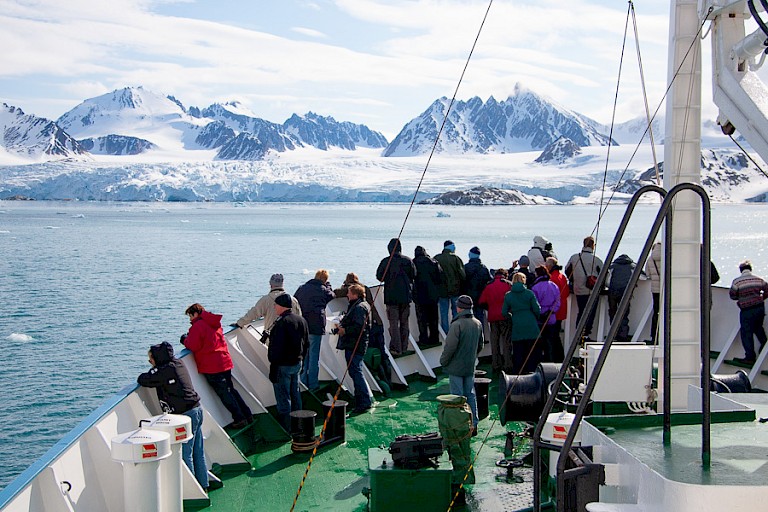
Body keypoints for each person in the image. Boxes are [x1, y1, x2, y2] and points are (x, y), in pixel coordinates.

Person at [138, 341, 208, 490]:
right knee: (198, 450)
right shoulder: (178, 364)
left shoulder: (164, 371)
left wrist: (153, 370)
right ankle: (203, 485)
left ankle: (192, 491)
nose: (150, 362)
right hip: (196, 410)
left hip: (185, 415)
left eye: (151, 359)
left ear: (158, 358)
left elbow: (144, 379)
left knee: (185, 454)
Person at [182, 303, 252, 428]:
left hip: (212, 366)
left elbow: (193, 345)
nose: (190, 319)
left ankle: (239, 418)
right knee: (231, 390)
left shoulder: (197, 326)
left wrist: (184, 340)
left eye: (190, 316)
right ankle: (247, 414)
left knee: (224, 393)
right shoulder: (214, 323)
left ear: (195, 313)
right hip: (224, 361)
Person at [439, 295, 484, 433]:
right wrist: (472, 357)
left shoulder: (457, 324)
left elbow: (450, 347)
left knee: (457, 397)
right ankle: (473, 424)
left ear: (460, 307)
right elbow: (480, 345)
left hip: (456, 367)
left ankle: (461, 426)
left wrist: (443, 361)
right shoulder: (477, 323)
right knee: (470, 395)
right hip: (470, 366)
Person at [267, 293, 308, 431]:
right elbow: (306, 342)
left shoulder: (281, 324)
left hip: (282, 365)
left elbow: (275, 347)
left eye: (276, 305)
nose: (274, 307)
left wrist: (273, 362)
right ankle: (299, 424)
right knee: (295, 394)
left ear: (281, 306)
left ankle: (287, 427)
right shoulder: (301, 320)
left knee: (283, 398)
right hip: (297, 363)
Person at [294, 269, 334, 391]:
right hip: (316, 325)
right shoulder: (323, 290)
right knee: (314, 355)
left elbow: (295, 300)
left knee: (304, 354)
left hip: (303, 325)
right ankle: (313, 384)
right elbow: (332, 295)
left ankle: (303, 381)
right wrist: (328, 286)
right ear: (325, 280)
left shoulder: (302, 288)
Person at [336, 284, 373, 413]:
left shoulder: (358, 308)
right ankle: (362, 400)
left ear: (355, 294)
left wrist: (344, 330)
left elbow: (359, 327)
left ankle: (364, 401)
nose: (347, 295)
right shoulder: (362, 305)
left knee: (356, 372)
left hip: (355, 345)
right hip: (357, 344)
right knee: (356, 371)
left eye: (349, 293)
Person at [376, 238, 416, 356]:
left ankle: (396, 348)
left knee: (393, 323)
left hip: (391, 297)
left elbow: (380, 277)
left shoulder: (385, 262)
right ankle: (404, 347)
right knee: (405, 323)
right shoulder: (408, 261)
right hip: (405, 296)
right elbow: (414, 274)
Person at [235, 274, 302, 337]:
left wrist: (239, 323)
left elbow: (253, 314)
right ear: (282, 284)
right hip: (291, 338)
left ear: (270, 284)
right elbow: (300, 318)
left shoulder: (265, 300)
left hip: (273, 338)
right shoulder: (293, 300)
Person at [565, 236, 604, 341]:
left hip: (578, 289)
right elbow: (604, 273)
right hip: (592, 290)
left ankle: (579, 335)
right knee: (590, 313)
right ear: (593, 246)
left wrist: (574, 281)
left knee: (581, 312)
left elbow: (567, 271)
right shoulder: (596, 259)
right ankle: (586, 335)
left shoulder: (574, 258)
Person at [729, 260, 768, 364]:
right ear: (750, 269)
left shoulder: (737, 282)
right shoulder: (758, 279)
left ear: (741, 270)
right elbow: (767, 289)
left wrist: (741, 299)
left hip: (747, 310)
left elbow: (732, 295)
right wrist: (761, 298)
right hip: (759, 308)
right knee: (758, 327)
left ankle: (750, 357)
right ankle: (764, 345)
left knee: (746, 332)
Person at [502, 273, 542, 374]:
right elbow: (537, 309)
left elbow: (504, 312)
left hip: (517, 324)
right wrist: (535, 317)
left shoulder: (508, 295)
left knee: (518, 352)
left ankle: (519, 374)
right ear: (523, 280)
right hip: (531, 323)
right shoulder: (529, 293)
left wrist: (512, 316)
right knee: (532, 352)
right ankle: (532, 373)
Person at [478, 268, 512, 372]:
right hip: (505, 316)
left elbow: (482, 301)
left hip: (493, 317)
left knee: (494, 341)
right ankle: (508, 364)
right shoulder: (508, 285)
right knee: (506, 341)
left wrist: (490, 308)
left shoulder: (489, 286)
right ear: (505, 275)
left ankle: (496, 364)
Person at [530, 266, 562, 362]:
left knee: (539, 344)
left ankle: (540, 363)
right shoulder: (554, 286)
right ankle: (550, 362)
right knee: (550, 343)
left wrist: (541, 313)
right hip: (551, 318)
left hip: (540, 319)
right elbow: (558, 302)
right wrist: (550, 311)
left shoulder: (535, 287)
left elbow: (534, 305)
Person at [413, 246, 443, 347]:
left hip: (420, 295)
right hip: (433, 295)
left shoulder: (414, 263)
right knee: (433, 318)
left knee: (422, 319)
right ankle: (434, 338)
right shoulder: (434, 262)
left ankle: (423, 339)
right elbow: (440, 277)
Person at [434, 240, 466, 334]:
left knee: (444, 313)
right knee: (456, 312)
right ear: (452, 247)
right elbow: (462, 275)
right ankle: (456, 331)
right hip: (455, 290)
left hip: (442, 291)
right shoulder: (456, 258)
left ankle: (445, 333)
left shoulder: (437, 258)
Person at [607, 254, 636, 342]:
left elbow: (607, 280)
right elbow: (643, 276)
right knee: (624, 313)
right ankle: (623, 335)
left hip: (613, 292)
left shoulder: (612, 266)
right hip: (625, 292)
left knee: (613, 312)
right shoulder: (632, 266)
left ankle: (613, 334)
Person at [546, 256, 569, 359]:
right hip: (562, 309)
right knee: (555, 335)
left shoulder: (552, 278)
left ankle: (555, 358)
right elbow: (566, 292)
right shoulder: (562, 276)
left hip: (555, 312)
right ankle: (559, 357)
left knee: (552, 336)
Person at [463, 246, 492, 325]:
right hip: (480, 296)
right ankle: (480, 335)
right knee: (480, 318)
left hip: (468, 296)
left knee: (469, 318)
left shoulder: (465, 267)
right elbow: (489, 280)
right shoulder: (483, 268)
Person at [645, 242, 662, 344]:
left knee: (656, 312)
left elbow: (647, 273)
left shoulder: (650, 259)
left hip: (655, 290)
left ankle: (654, 336)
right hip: (667, 290)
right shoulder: (668, 256)